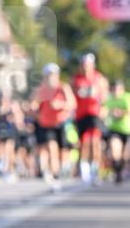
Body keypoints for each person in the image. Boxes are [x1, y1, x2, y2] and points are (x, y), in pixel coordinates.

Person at [30, 63, 76, 191]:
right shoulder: (41, 89)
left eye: (53, 74)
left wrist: (60, 105)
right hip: (46, 125)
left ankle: (59, 171)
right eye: (48, 75)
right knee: (51, 148)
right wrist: (33, 109)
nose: (51, 77)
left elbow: (72, 103)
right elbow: (33, 104)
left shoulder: (63, 87)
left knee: (62, 152)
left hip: (60, 124)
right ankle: (54, 176)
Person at [72, 52, 108, 183]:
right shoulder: (76, 79)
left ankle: (95, 168)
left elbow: (105, 96)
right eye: (84, 64)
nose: (86, 67)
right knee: (85, 142)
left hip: (95, 114)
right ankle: (85, 167)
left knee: (95, 142)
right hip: (81, 115)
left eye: (89, 64)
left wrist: (103, 107)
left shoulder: (99, 78)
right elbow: (74, 94)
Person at [105, 79, 130, 183]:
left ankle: (121, 169)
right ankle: (117, 172)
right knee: (115, 152)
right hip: (115, 130)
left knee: (125, 155)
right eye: (114, 89)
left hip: (127, 130)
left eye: (118, 89)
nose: (116, 91)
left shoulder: (127, 97)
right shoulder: (109, 99)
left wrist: (120, 112)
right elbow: (104, 110)